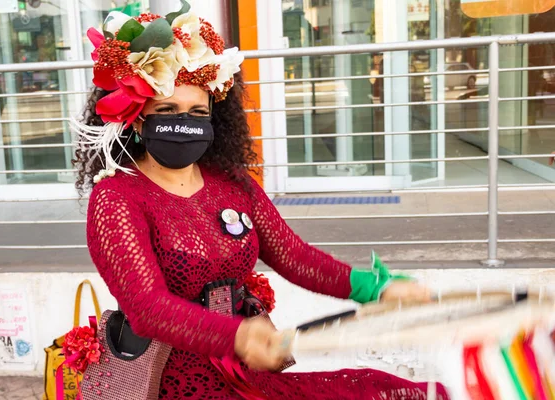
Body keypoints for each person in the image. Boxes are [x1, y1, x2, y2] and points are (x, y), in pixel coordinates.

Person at [73, 5, 449, 399]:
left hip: (243, 371)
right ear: (135, 119)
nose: (184, 123)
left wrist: (375, 288)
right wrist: (236, 335)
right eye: (167, 111)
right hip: (169, 383)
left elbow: (293, 256)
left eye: (198, 112)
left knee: (389, 390)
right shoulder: (116, 197)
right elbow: (146, 307)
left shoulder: (233, 185)